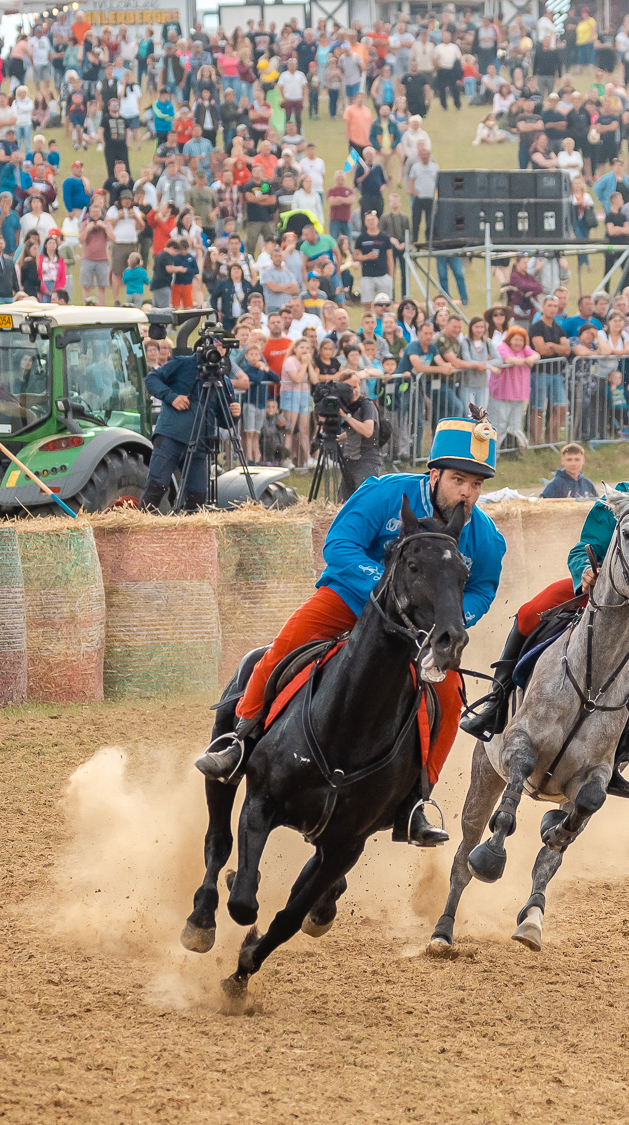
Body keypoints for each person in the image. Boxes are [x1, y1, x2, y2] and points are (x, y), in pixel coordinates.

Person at [195, 417, 509, 847]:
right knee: (283, 646)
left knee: (451, 697)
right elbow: (339, 547)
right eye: (458, 480)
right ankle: (238, 740)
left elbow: (483, 587)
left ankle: (417, 802)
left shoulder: (484, 535)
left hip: (416, 629)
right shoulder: (383, 494)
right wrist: (384, 594)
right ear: (433, 474)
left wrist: (450, 620)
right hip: (348, 600)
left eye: (476, 483)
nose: (467, 493)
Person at [462, 432, 629, 799]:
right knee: (528, 613)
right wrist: (584, 574)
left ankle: (619, 757)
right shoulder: (622, 498)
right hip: (596, 594)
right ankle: (496, 703)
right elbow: (584, 548)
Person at [142, 333, 251, 512]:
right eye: (215, 344)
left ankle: (191, 538)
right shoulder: (184, 363)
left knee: (198, 498)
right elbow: (151, 379)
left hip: (201, 444)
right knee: (156, 488)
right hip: (171, 436)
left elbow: (224, 422)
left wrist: (234, 415)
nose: (218, 349)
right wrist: (172, 397)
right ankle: (143, 535)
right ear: (204, 345)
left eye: (223, 346)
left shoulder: (223, 381)